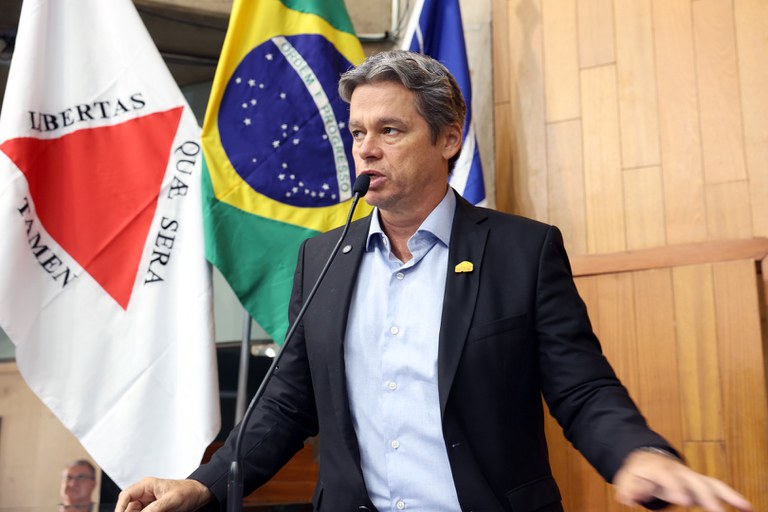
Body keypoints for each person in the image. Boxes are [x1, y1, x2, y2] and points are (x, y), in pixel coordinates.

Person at [116, 50, 753, 512]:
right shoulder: (322, 259)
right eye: (358, 132)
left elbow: (581, 386)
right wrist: (201, 483)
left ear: (448, 139)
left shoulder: (522, 251)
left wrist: (637, 454)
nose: (366, 149)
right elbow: (287, 403)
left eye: (389, 130)